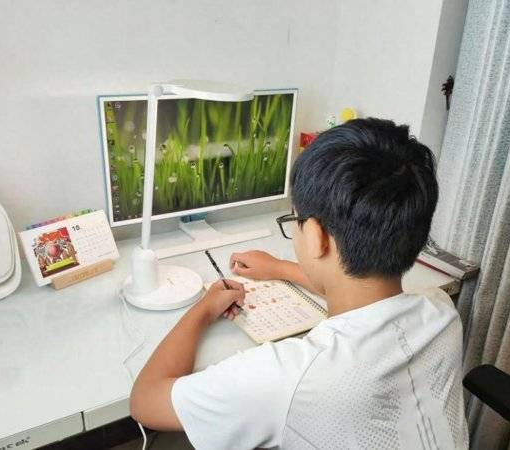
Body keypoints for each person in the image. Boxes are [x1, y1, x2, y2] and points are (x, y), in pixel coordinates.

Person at [129, 118, 468, 449]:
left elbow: (145, 401)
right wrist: (280, 268)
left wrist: (203, 310)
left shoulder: (287, 379)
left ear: (316, 235)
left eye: (295, 219)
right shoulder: (441, 312)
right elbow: (361, 289)